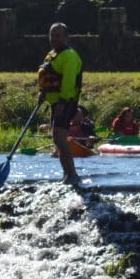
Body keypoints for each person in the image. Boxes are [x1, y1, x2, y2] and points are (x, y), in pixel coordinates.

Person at [36, 22, 84, 186]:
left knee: (59, 137)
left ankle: (72, 175)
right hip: (54, 101)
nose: (54, 38)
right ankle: (67, 175)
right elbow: (48, 77)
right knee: (57, 138)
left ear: (65, 36)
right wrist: (43, 92)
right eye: (52, 35)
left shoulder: (69, 55)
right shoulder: (52, 54)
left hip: (65, 102)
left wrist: (62, 103)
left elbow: (69, 82)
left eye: (58, 35)